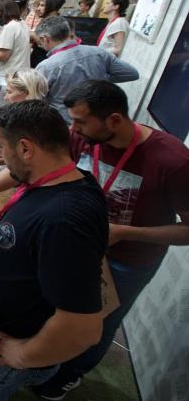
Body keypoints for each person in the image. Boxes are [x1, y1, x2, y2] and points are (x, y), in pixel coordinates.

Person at [32, 81, 189, 400]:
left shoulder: (172, 161)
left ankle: (68, 375)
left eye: (80, 122)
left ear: (114, 120)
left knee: (97, 326)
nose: (73, 129)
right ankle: (45, 361)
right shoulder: (83, 136)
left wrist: (126, 233)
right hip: (80, 245)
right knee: (58, 307)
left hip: (127, 261)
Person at [0, 101, 108, 401]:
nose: (2, 159)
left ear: (25, 149)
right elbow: (15, 171)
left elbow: (84, 329)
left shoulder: (64, 222)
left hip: (4, 353)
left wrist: (20, 354)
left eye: (4, 150)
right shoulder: (58, 174)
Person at [34, 16, 139, 122]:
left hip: (64, 123)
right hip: (97, 121)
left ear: (44, 39)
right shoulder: (99, 52)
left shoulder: (46, 67)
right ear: (68, 32)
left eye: (40, 42)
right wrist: (101, 78)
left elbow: (36, 100)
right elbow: (131, 73)